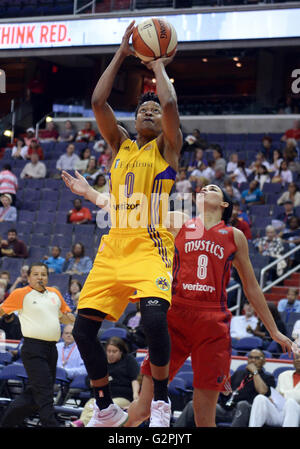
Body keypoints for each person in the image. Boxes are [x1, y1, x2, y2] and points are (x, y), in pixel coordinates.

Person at [61, 20, 182, 428]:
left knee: (151, 320)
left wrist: (159, 65)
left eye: (153, 110)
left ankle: (162, 401)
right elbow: (98, 102)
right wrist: (120, 54)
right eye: (142, 109)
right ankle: (106, 408)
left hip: (151, 245)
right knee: (82, 331)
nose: (150, 111)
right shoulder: (120, 145)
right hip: (114, 246)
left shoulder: (167, 146)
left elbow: (168, 107)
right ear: (134, 119)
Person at [125, 184, 292, 428]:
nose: (204, 189)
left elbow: (252, 288)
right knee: (143, 407)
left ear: (224, 204)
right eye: (202, 188)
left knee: (204, 418)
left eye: (212, 188)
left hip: (213, 323)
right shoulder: (180, 222)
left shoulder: (234, 236)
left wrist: (274, 330)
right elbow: (137, 214)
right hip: (176, 316)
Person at [0, 262, 75, 427]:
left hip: (51, 349)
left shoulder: (55, 293)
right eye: (36, 274)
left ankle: (6, 423)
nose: (40, 277)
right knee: (45, 392)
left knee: (34, 394)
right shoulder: (21, 293)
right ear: (28, 277)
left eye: (43, 274)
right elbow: (2, 310)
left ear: (47, 277)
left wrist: (74, 317)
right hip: (33, 349)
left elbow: (64, 317)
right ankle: (51, 424)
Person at [174, 349, 276, 427]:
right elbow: (225, 389)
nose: (253, 360)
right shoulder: (239, 373)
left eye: (257, 358)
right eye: (250, 357)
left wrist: (255, 373)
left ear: (264, 361)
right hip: (226, 408)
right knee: (194, 404)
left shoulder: (268, 377)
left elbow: (263, 392)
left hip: (245, 411)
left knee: (243, 404)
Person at [71, 336, 140, 427]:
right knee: (90, 404)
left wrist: (135, 395)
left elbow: (135, 379)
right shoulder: (101, 361)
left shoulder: (128, 360)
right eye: (109, 351)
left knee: (104, 408)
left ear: (121, 352)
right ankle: (83, 422)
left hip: (121, 397)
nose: (111, 354)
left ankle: (82, 423)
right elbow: (90, 381)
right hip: (100, 395)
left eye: (114, 351)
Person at [249, 353, 300, 427]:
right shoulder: (283, 375)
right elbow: (277, 394)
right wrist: (272, 399)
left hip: (296, 414)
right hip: (280, 412)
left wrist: (284, 395)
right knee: (260, 398)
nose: (298, 360)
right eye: (297, 358)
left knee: (291, 402)